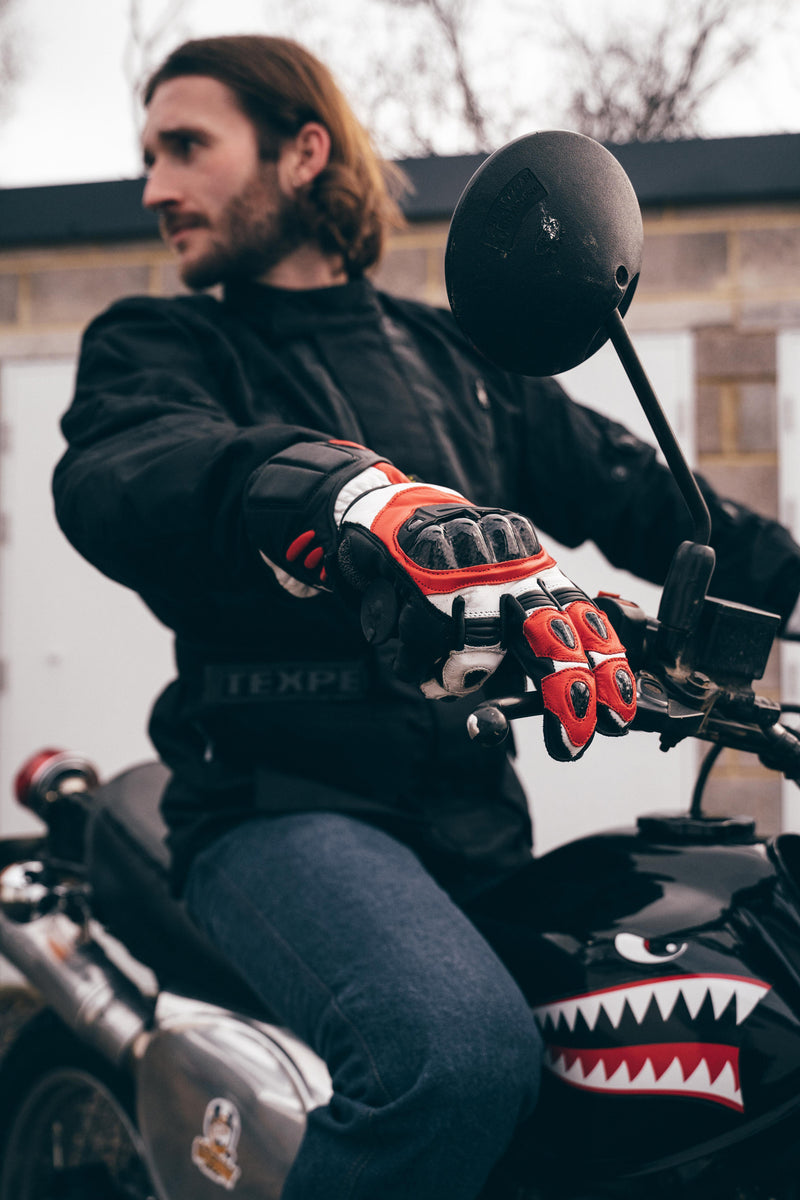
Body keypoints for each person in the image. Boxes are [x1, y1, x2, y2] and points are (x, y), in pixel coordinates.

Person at [53, 34, 800, 1200]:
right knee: (454, 1062)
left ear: (303, 152)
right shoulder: (165, 346)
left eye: (185, 147)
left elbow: (646, 498)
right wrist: (348, 494)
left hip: (472, 824)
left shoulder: (456, 361)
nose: (154, 188)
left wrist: (780, 574)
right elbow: (129, 469)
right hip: (275, 811)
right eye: (150, 155)